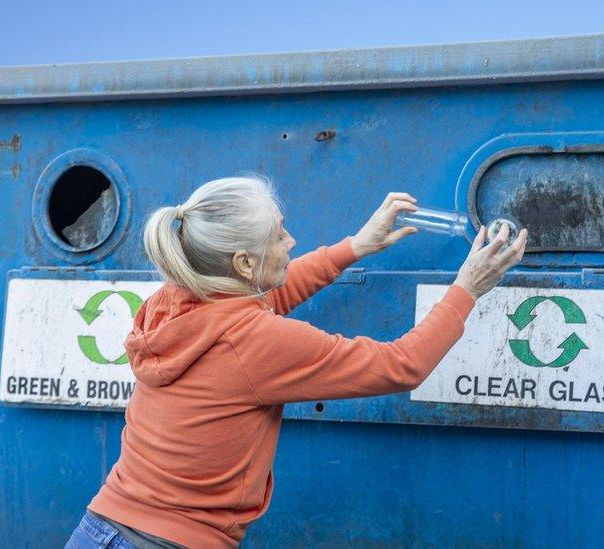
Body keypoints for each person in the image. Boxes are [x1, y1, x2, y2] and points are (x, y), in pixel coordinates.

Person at [65, 174, 527, 548]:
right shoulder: (255, 341)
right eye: (279, 234)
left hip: (99, 528)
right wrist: (468, 286)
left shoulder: (174, 303)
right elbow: (403, 364)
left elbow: (263, 300)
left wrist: (354, 247)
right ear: (245, 264)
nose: (292, 241)